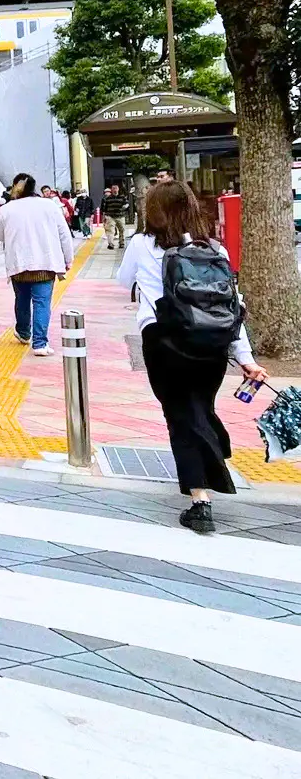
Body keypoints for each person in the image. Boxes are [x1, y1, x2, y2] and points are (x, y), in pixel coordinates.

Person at [119, 180, 267, 532]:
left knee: (180, 415)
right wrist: (245, 356)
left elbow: (124, 281)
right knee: (198, 406)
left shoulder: (141, 244)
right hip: (212, 343)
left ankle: (200, 500)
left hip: (164, 340)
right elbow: (231, 306)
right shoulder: (214, 248)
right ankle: (212, 452)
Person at [0, 173, 74, 357]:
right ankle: (40, 344)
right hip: (45, 263)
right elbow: (64, 233)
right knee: (41, 303)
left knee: (21, 300)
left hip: (18, 263)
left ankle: (23, 332)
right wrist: (68, 259)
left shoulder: (6, 209)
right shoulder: (49, 205)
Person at [101, 183, 131, 249]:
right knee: (110, 231)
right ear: (111, 190)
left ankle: (121, 243)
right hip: (110, 217)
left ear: (118, 189)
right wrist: (104, 217)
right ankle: (111, 244)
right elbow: (104, 209)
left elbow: (127, 204)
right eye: (113, 188)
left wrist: (125, 206)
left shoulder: (122, 197)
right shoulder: (108, 198)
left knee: (122, 230)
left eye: (116, 188)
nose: (115, 190)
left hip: (120, 216)